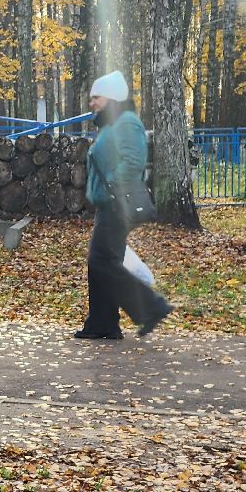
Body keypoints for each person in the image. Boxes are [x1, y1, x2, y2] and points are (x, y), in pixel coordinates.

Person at [78, 71, 174, 340]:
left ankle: (151, 307)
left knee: (103, 262)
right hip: (108, 205)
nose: (92, 102)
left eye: (96, 97)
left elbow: (133, 160)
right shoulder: (112, 123)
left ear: (111, 96)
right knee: (100, 263)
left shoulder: (127, 122)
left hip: (117, 204)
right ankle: (102, 323)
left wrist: (111, 186)